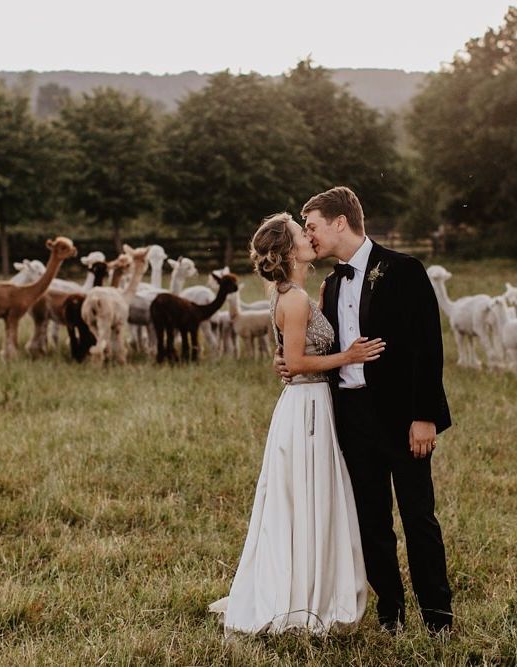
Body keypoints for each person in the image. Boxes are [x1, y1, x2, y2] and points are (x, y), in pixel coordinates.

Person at [209, 212, 385, 636]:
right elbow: (298, 361)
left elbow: (292, 353)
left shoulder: (298, 293)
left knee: (309, 494)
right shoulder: (293, 299)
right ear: (288, 252)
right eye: (299, 234)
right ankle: (301, 596)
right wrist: (349, 357)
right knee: (306, 494)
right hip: (307, 405)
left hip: (309, 401)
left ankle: (309, 586)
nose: (308, 236)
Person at [290, 186, 453, 634]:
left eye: (313, 226)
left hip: (403, 419)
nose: (309, 236)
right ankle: (390, 613)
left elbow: (428, 347)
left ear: (339, 222)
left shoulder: (403, 269)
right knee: (370, 518)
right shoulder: (331, 282)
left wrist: (425, 417)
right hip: (352, 417)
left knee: (418, 516)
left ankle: (438, 616)